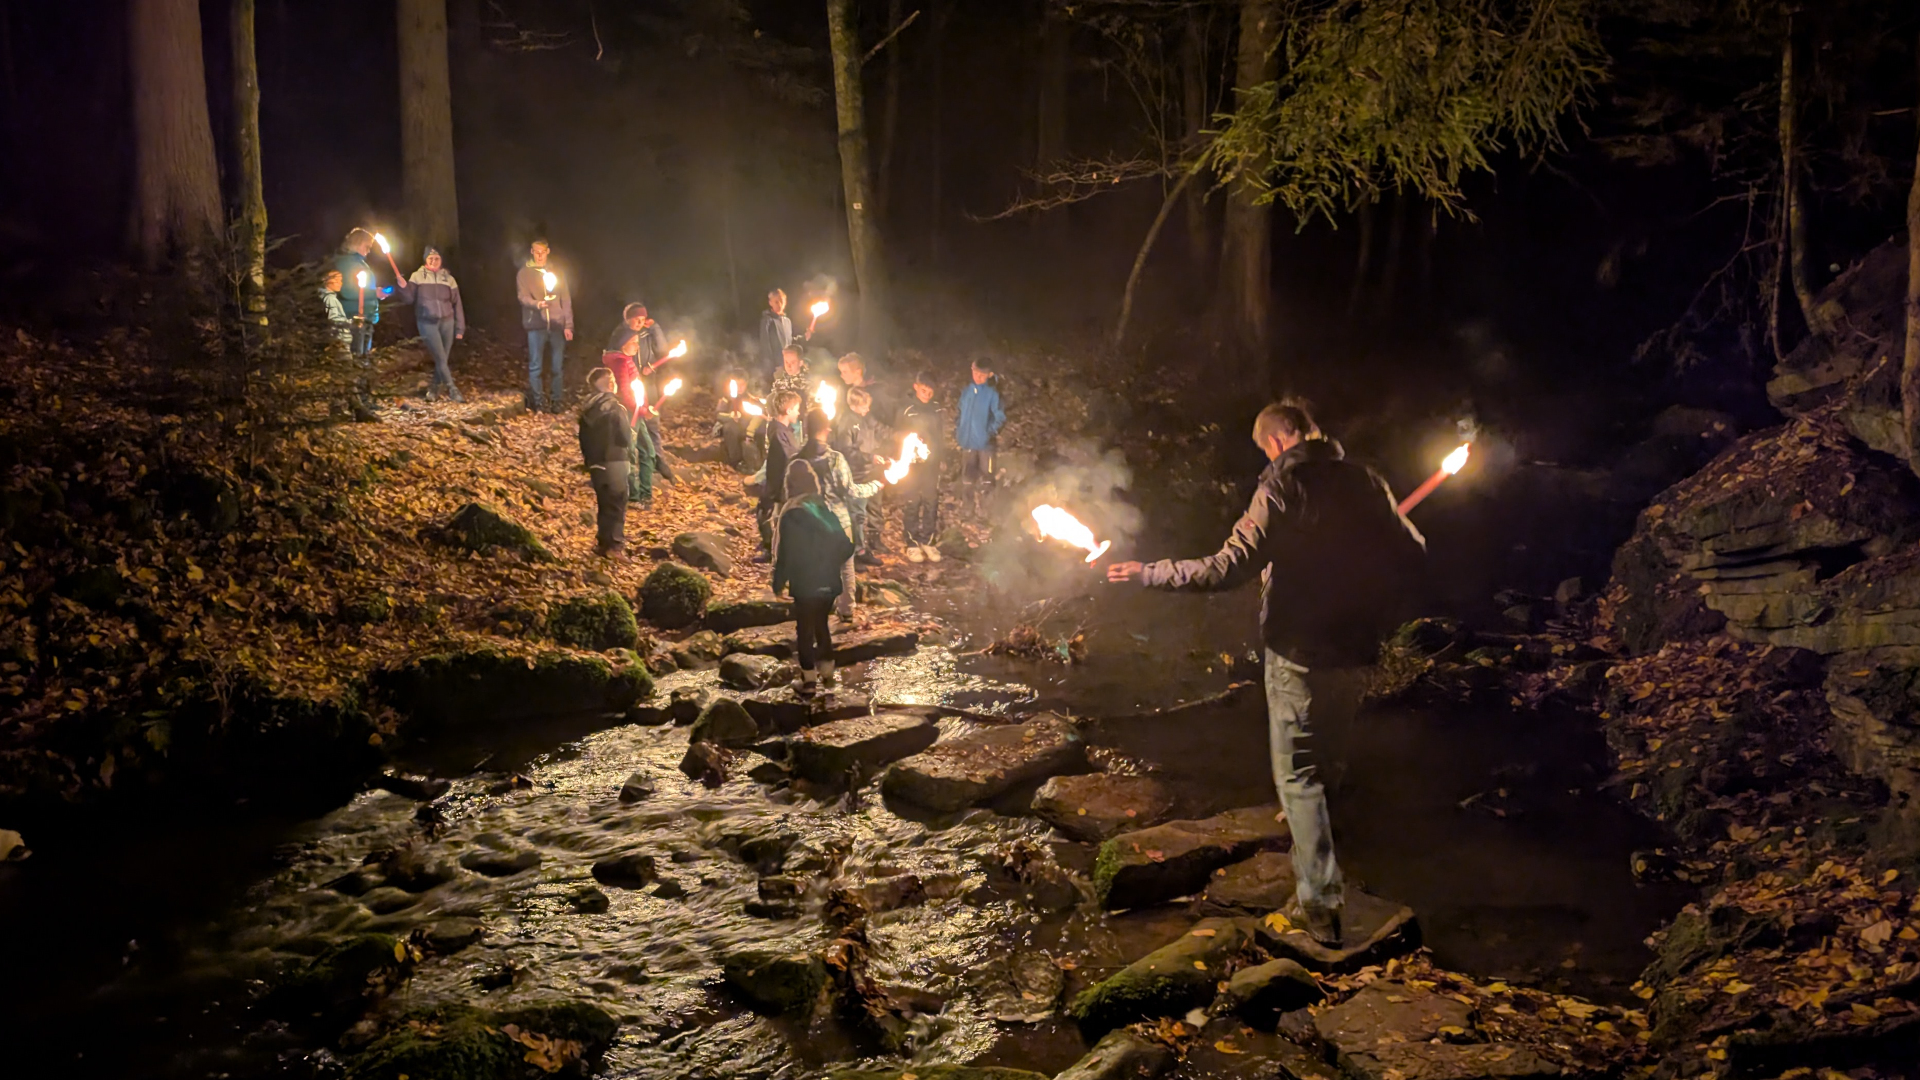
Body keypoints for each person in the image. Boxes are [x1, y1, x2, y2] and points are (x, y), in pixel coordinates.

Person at [1105, 400, 1427, 947]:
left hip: (1299, 650)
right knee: (1326, 762)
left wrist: (1149, 572)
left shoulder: (1280, 489)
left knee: (1298, 777)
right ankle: (1322, 846)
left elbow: (1225, 568)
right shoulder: (1367, 482)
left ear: (1279, 440)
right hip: (1355, 648)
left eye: (1265, 449)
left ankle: (1321, 909)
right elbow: (1414, 552)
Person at [771, 458, 856, 698]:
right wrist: (830, 562)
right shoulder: (825, 510)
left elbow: (784, 555)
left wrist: (778, 583)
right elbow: (847, 546)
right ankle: (828, 675)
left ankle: (808, 681)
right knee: (822, 627)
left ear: (790, 485)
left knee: (805, 631)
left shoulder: (790, 514)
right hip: (829, 582)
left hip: (805, 584)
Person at [797, 407, 883, 620]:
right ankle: (846, 609)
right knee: (845, 566)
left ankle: (814, 609)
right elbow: (851, 491)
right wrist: (876, 485)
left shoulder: (797, 459)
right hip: (837, 522)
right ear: (826, 430)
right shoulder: (836, 459)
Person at [609, 302, 679, 483]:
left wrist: (655, 328)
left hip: (648, 382)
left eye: (643, 320)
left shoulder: (647, 332)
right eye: (636, 320)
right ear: (628, 320)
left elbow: (663, 351)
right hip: (629, 383)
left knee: (652, 420)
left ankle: (657, 458)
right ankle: (626, 464)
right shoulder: (620, 335)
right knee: (631, 422)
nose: (640, 324)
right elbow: (616, 359)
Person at [577, 367, 634, 558]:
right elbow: (625, 438)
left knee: (604, 504)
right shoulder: (616, 408)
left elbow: (583, 438)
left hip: (595, 463)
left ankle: (602, 543)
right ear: (610, 383)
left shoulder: (587, 408)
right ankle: (614, 547)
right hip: (615, 461)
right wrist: (632, 432)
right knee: (617, 503)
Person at [599, 329, 659, 507]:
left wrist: (644, 408)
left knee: (647, 451)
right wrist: (641, 410)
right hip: (628, 413)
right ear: (623, 343)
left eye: (637, 343)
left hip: (636, 412)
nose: (637, 347)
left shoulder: (627, 360)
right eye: (633, 342)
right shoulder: (620, 363)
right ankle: (633, 496)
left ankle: (645, 494)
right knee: (631, 452)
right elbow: (625, 392)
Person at [835, 385, 893, 565]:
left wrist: (903, 436)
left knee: (873, 507)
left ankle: (870, 543)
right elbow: (847, 451)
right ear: (853, 406)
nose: (867, 409)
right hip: (856, 474)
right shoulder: (846, 423)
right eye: (863, 406)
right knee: (857, 514)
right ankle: (856, 553)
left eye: (868, 405)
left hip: (870, 471)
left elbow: (882, 430)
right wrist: (870, 457)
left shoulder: (866, 418)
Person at [516, 239, 574, 412]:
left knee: (557, 367)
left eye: (543, 251)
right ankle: (539, 403)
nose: (540, 255)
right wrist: (537, 304)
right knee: (536, 366)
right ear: (532, 252)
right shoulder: (524, 273)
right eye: (536, 251)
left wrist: (568, 325)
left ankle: (556, 402)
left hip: (556, 325)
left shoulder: (557, 272)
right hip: (536, 325)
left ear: (548, 251)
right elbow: (522, 297)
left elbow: (565, 299)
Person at [896, 371, 944, 562]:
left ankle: (928, 541)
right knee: (912, 501)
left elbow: (940, 435)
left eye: (930, 391)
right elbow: (897, 434)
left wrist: (942, 457)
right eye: (924, 390)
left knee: (931, 500)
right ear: (916, 387)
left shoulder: (937, 409)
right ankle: (911, 542)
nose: (927, 394)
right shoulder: (907, 409)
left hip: (931, 463)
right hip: (912, 464)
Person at [409, 246, 467, 402]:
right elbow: (408, 298)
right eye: (430, 258)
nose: (433, 261)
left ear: (441, 260)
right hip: (427, 322)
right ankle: (453, 390)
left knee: (443, 359)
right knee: (440, 357)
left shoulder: (448, 279)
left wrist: (460, 326)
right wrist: (402, 286)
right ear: (425, 260)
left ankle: (433, 390)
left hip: (447, 322)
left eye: (437, 258)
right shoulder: (417, 277)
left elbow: (457, 304)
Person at [754, 389, 805, 560]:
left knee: (774, 516)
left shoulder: (784, 429)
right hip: (778, 484)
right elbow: (789, 457)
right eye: (797, 408)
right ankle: (771, 549)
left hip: (780, 484)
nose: (799, 411)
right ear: (789, 410)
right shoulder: (779, 432)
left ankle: (777, 548)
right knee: (767, 515)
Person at [955, 357, 1006, 515]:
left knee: (987, 478)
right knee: (967, 478)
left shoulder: (992, 394)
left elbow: (1000, 417)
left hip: (985, 444)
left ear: (989, 375)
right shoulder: (967, 391)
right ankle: (967, 508)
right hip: (967, 442)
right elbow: (960, 411)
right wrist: (959, 429)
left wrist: (989, 432)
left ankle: (985, 510)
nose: (978, 377)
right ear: (972, 369)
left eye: (982, 375)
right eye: (975, 372)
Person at [760, 288, 794, 378]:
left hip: (788, 366)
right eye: (776, 302)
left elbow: (790, 342)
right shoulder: (767, 321)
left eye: (781, 301)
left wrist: (805, 336)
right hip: (774, 367)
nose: (779, 304)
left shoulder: (787, 321)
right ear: (770, 303)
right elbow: (765, 345)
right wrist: (772, 366)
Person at [319, 270, 352, 349]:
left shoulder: (331, 298)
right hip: (339, 338)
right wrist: (351, 322)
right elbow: (334, 319)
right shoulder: (330, 299)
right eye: (337, 281)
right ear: (329, 281)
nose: (341, 283)